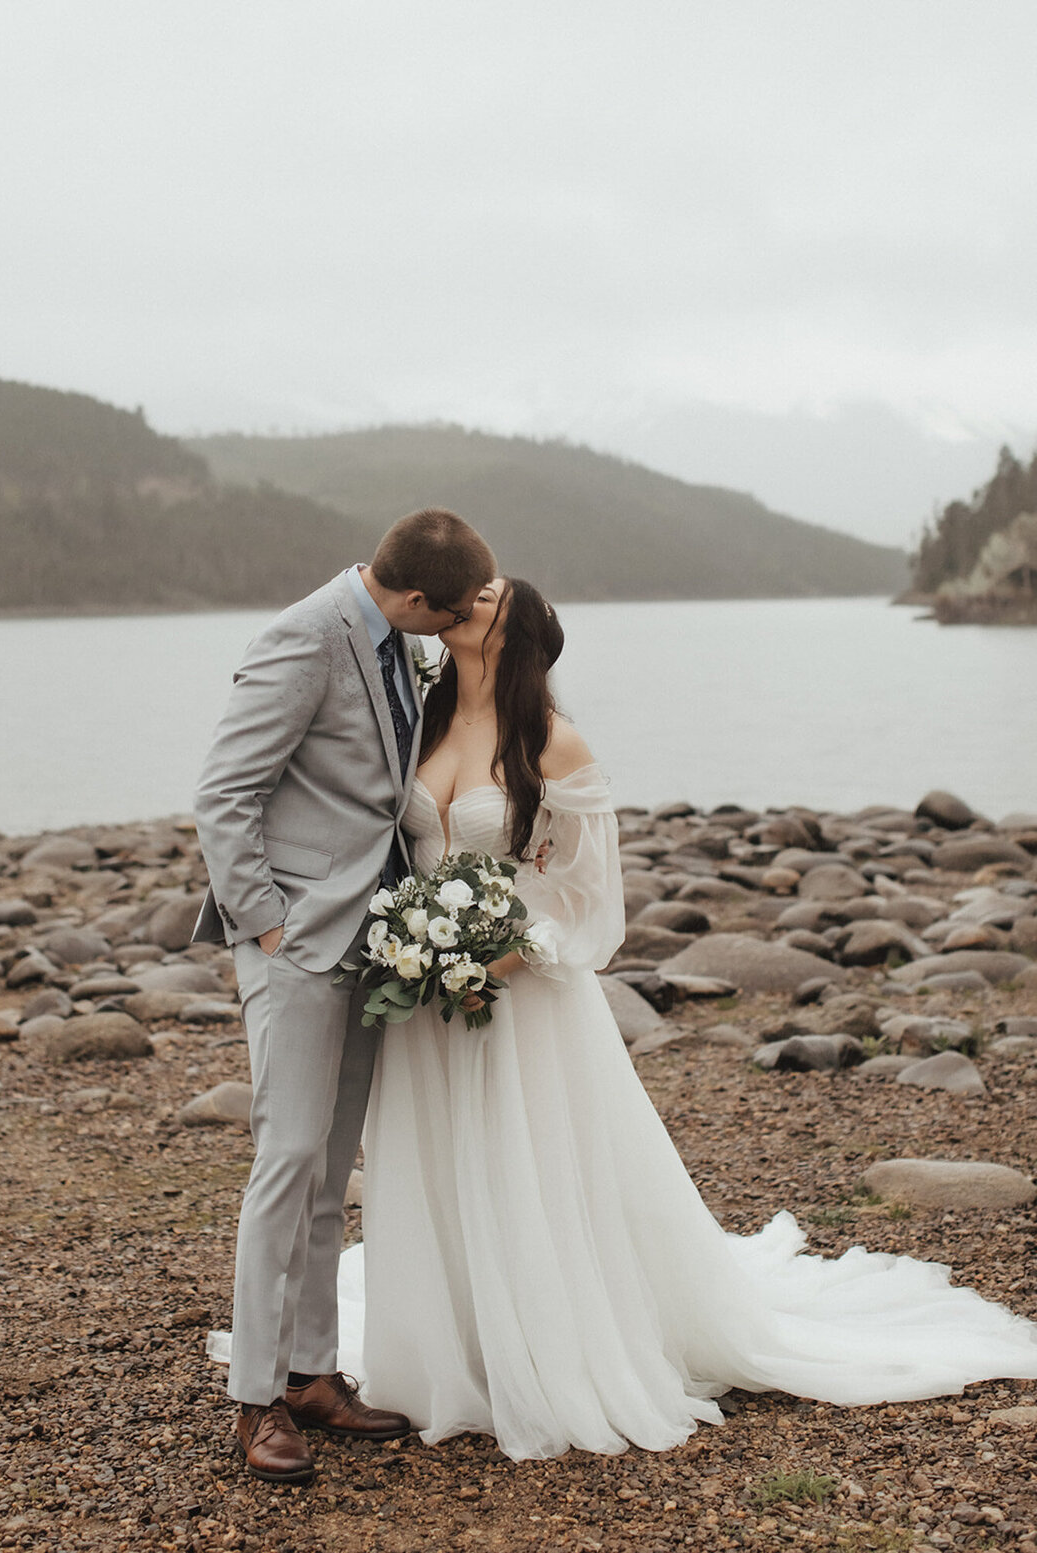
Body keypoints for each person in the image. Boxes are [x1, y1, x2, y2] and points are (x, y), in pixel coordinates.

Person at [334, 576, 1037, 1463]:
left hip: (515, 999)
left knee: (527, 1163)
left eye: (489, 596)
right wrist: (414, 952)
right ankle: (455, 1340)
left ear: (516, 636)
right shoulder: (423, 724)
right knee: (445, 1159)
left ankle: (548, 1347)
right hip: (428, 1000)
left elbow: (591, 907)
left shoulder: (551, 740)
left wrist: (490, 961)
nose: (469, 595)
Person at [193, 509, 497, 1483]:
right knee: (285, 1163)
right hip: (298, 944)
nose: (445, 633)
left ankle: (314, 1370)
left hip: (372, 945)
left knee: (332, 1172)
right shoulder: (302, 636)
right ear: (412, 599)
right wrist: (266, 923)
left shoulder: (389, 640)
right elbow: (225, 791)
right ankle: (255, 1400)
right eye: (442, 617)